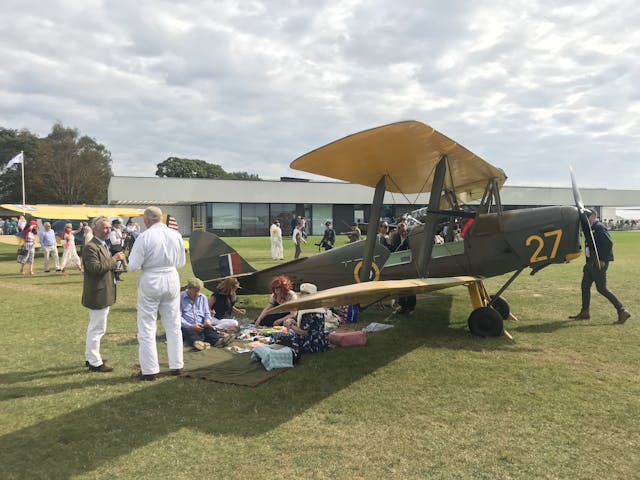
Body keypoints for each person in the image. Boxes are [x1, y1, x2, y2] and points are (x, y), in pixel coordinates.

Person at [128, 206, 186, 381]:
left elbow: (133, 266)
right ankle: (177, 365)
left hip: (152, 279)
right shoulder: (176, 235)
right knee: (174, 324)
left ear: (146, 221)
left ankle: (149, 369)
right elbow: (182, 262)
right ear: (161, 218)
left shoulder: (144, 237)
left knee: (147, 326)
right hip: (171, 277)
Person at [569, 209, 631, 324]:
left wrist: (602, 259)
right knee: (585, 286)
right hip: (591, 263)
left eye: (587, 216)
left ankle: (622, 311)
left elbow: (608, 243)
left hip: (598, 263)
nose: (585, 219)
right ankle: (585, 311)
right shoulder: (591, 227)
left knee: (602, 288)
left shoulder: (599, 227)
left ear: (593, 216)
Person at [82, 216, 126, 372]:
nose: (108, 230)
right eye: (105, 228)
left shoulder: (102, 245)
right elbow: (95, 269)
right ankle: (94, 362)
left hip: (103, 291)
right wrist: (114, 259)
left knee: (96, 327)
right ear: (95, 229)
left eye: (109, 228)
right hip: (97, 293)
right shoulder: (90, 247)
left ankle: (91, 357)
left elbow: (105, 267)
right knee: (97, 328)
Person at [270, 283, 329, 353]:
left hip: (310, 343)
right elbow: (307, 325)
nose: (301, 295)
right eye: (301, 293)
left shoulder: (310, 312)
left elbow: (304, 332)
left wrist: (290, 326)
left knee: (278, 336)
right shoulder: (316, 307)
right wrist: (293, 322)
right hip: (320, 341)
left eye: (304, 294)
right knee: (281, 334)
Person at [180, 278, 232, 350]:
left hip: (201, 325)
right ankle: (198, 343)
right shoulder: (180, 298)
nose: (197, 294)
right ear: (188, 289)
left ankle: (218, 341)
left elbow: (207, 313)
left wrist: (207, 321)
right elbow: (177, 317)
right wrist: (191, 326)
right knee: (189, 332)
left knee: (209, 330)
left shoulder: (202, 297)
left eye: (198, 291)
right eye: (195, 291)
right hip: (188, 326)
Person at [389, 217, 416, 314]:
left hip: (409, 264)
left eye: (403, 226)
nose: (401, 229)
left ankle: (411, 307)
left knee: (411, 286)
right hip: (399, 264)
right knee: (400, 286)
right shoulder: (394, 237)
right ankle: (402, 306)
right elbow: (392, 249)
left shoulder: (411, 236)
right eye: (399, 227)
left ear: (406, 226)